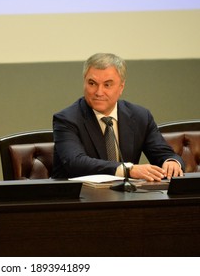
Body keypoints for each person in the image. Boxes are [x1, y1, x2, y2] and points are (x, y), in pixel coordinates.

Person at [52, 53, 184, 181]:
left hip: (126, 198)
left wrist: (171, 162)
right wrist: (127, 170)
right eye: (92, 83)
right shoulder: (67, 119)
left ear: (121, 87)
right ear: (84, 83)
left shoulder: (140, 116)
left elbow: (164, 153)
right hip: (79, 198)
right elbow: (76, 162)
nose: (99, 92)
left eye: (107, 85)